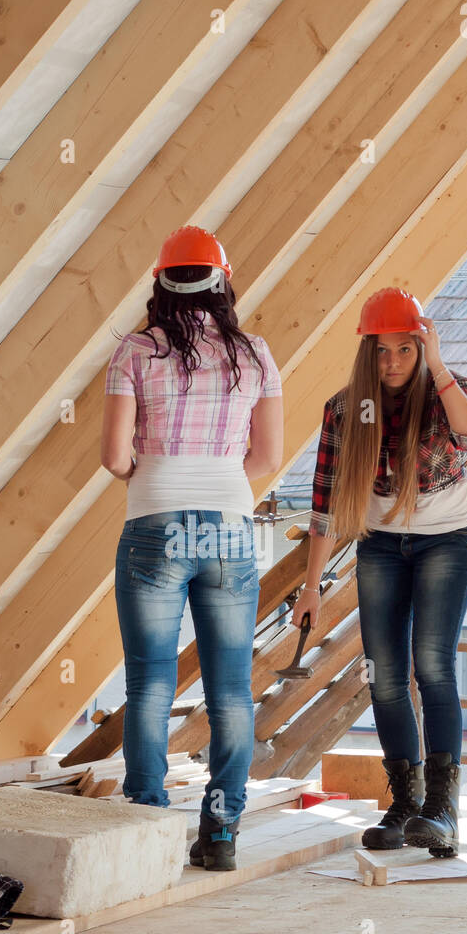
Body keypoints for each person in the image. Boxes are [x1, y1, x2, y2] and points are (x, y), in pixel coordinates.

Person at [101, 226, 283, 871]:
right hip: (229, 527)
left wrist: (150, 471)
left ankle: (148, 821)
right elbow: (266, 457)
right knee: (231, 688)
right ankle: (223, 829)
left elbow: (113, 458)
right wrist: (216, 476)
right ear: (223, 281)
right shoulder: (254, 354)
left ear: (160, 284)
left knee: (149, 683)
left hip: (154, 520)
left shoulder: (134, 351)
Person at [292, 287, 467, 857]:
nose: (392, 363)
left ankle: (442, 810)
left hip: (448, 541)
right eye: (382, 352)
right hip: (380, 544)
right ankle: (405, 805)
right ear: (368, 353)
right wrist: (310, 587)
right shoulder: (344, 409)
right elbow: (326, 503)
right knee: (383, 673)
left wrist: (438, 362)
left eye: (404, 350)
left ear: (420, 346)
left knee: (432, 666)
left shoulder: (453, 392)